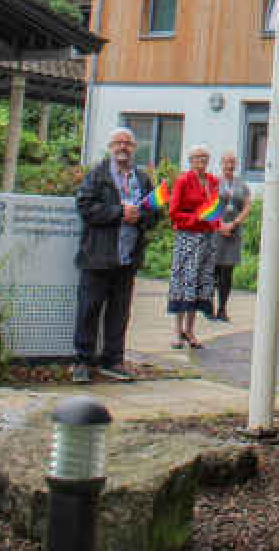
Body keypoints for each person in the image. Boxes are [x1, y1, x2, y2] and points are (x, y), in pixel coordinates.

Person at [71, 126, 159, 383]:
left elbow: (154, 214)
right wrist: (119, 212)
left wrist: (139, 216)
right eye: (118, 143)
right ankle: (83, 361)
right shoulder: (97, 176)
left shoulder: (142, 180)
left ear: (134, 148)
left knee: (119, 313)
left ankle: (113, 360)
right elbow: (85, 207)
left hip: (126, 259)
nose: (123, 148)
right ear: (110, 147)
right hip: (97, 257)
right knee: (89, 310)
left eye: (128, 144)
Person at [167, 145, 219, 349]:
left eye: (205, 158)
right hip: (188, 237)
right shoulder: (183, 180)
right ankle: (177, 331)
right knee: (184, 282)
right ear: (190, 160)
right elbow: (173, 212)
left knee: (200, 283)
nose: (202, 162)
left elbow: (217, 205)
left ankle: (190, 330)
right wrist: (194, 218)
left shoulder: (213, 181)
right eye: (198, 158)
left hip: (207, 238)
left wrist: (216, 220)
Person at [211, 151, 251, 322]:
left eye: (232, 162)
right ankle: (208, 306)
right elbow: (208, 205)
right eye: (226, 162)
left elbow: (247, 206)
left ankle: (222, 308)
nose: (229, 165)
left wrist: (233, 223)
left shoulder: (241, 185)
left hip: (233, 232)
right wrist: (219, 224)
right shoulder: (214, 183)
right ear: (221, 163)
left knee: (227, 272)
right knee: (212, 271)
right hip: (215, 230)